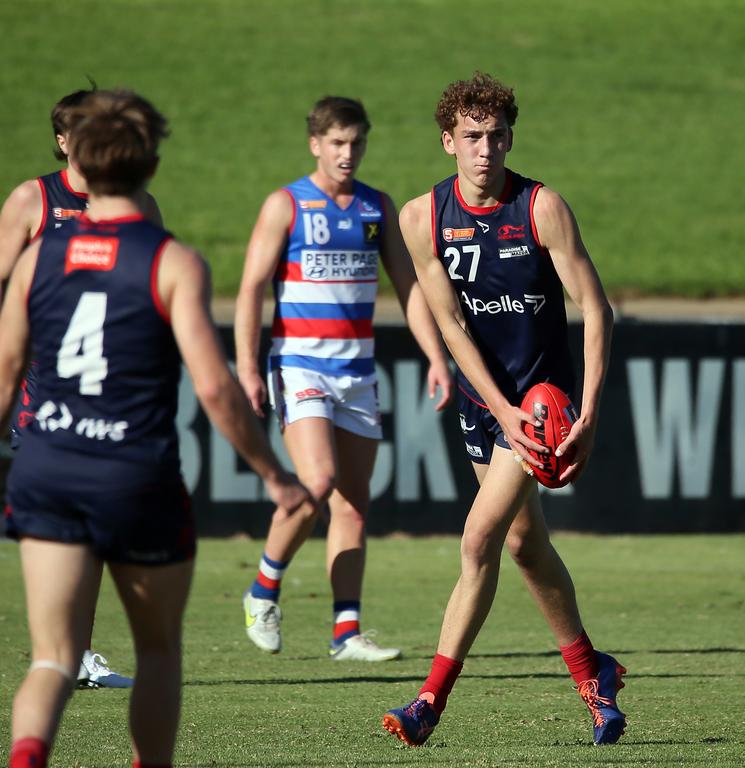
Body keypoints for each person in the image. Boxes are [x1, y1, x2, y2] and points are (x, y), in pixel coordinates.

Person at [0, 89, 310, 768]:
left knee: (53, 659)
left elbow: (4, 373)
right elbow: (214, 387)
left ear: (75, 162)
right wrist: (275, 475)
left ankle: (25, 757)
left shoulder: (33, 261)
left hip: (47, 468)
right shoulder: (171, 261)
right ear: (151, 166)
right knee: (158, 650)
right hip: (135, 476)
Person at [381, 73, 624, 746]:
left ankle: (429, 701)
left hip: (543, 406)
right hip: (484, 404)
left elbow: (595, 310)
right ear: (447, 142)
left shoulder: (541, 208)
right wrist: (496, 407)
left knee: (478, 539)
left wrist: (590, 412)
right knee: (523, 543)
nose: (485, 150)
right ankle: (593, 672)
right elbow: (451, 324)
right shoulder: (419, 219)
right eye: (471, 137)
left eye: (496, 136)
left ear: (510, 138)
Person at [235, 96, 452, 662]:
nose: (347, 153)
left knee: (353, 507)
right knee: (318, 482)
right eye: (336, 143)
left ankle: (345, 633)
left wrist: (435, 355)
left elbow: (409, 288)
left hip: (357, 373)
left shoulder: (376, 207)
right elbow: (252, 288)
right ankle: (262, 590)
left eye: (356, 142)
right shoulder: (286, 204)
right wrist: (247, 365)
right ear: (315, 144)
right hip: (300, 366)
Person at [0, 86, 161, 690]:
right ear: (64, 139)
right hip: (40, 381)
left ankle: (74, 654)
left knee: (90, 526)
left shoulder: (138, 203)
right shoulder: (33, 199)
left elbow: (154, 289)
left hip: (108, 389)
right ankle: (62, 652)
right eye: (82, 128)